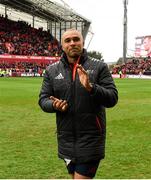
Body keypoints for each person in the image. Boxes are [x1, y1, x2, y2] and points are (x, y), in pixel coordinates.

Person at [38, 29, 118, 179]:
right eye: (68, 40)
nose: (72, 43)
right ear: (62, 46)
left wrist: (91, 88)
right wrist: (54, 105)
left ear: (82, 42)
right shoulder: (51, 70)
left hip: (91, 140)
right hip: (66, 141)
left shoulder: (99, 67)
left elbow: (112, 98)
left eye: (76, 39)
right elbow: (43, 100)